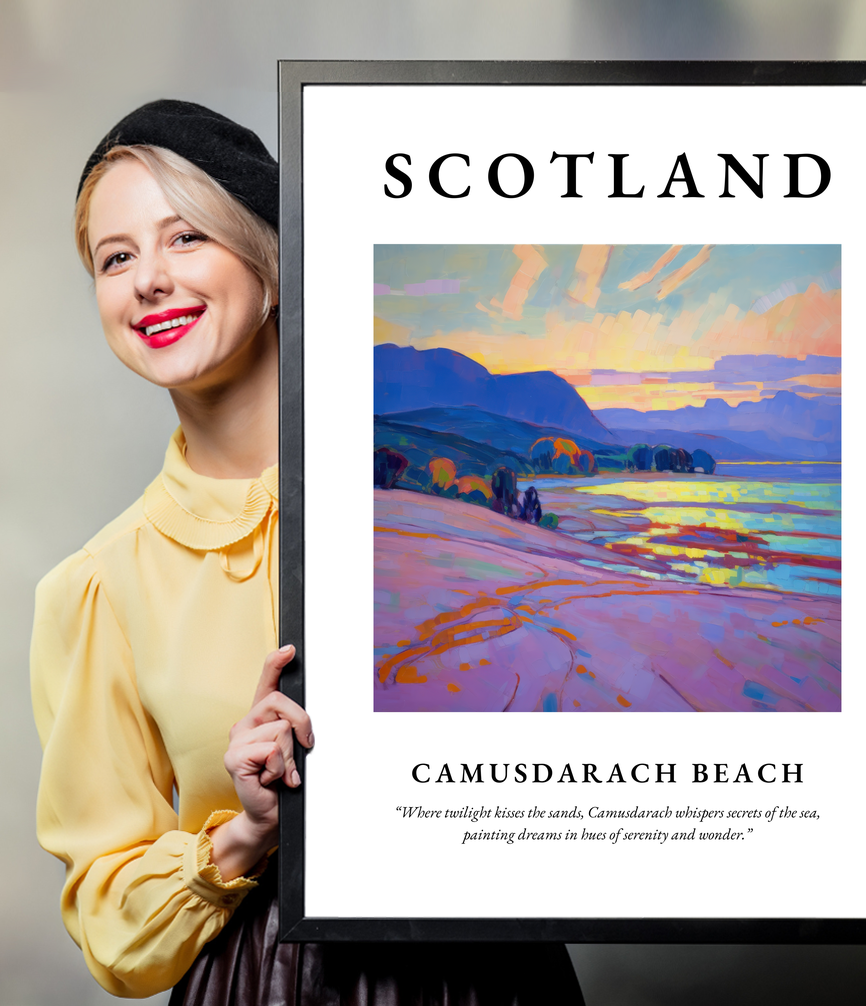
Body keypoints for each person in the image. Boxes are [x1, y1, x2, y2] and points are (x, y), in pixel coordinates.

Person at [30, 100, 585, 1004]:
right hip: (264, 982)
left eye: (186, 237)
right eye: (115, 258)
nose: (149, 281)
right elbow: (110, 923)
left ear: (272, 262)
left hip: (493, 973)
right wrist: (246, 833)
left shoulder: (422, 510)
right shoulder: (97, 587)